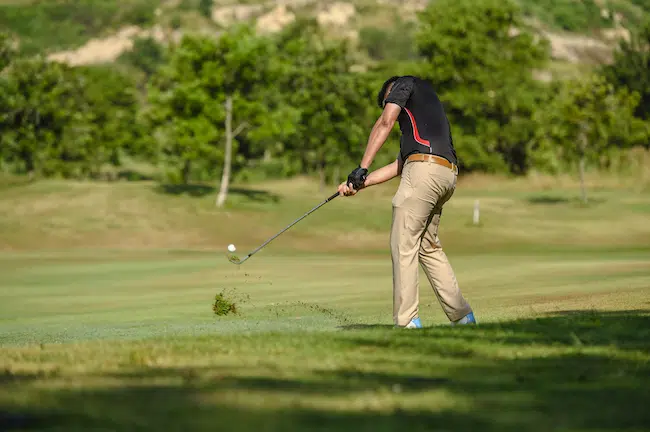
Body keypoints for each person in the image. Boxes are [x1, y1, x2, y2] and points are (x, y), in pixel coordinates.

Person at [338, 75, 477, 328]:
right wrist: (359, 183)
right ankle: (463, 317)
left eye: (388, 101)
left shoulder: (404, 84)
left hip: (424, 173)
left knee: (403, 243)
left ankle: (407, 321)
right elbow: (400, 165)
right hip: (446, 175)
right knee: (427, 246)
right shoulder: (426, 115)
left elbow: (385, 122)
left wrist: (361, 167)